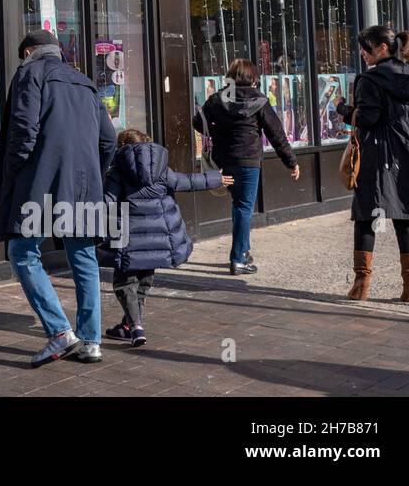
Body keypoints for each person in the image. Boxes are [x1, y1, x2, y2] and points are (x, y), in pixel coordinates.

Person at [0, 29, 116, 367]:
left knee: (22, 250)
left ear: (30, 50)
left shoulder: (29, 74)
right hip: (83, 184)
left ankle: (61, 331)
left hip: (40, 182)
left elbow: (23, 130)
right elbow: (108, 141)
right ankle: (91, 341)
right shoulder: (86, 82)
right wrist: (93, 171)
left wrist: (14, 172)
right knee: (84, 257)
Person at [100, 129, 232, 346]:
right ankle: (128, 325)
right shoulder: (161, 168)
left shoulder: (118, 170)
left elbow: (107, 201)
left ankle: (135, 326)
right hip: (156, 237)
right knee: (143, 279)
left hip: (126, 236)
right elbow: (186, 182)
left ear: (122, 146)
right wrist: (215, 178)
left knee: (124, 283)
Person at [336, 26, 409, 304]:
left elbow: (367, 118)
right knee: (405, 218)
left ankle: (361, 285)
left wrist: (344, 111)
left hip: (377, 157)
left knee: (366, 217)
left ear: (381, 48)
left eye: (365, 47)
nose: (362, 53)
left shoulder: (369, 79)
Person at [192, 58, 300, 275]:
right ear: (252, 78)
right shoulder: (259, 100)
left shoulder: (217, 98)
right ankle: (238, 258)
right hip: (248, 161)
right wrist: (291, 162)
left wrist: (217, 135)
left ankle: (244, 250)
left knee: (238, 205)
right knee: (243, 207)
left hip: (223, 160)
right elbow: (276, 133)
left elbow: (197, 122)